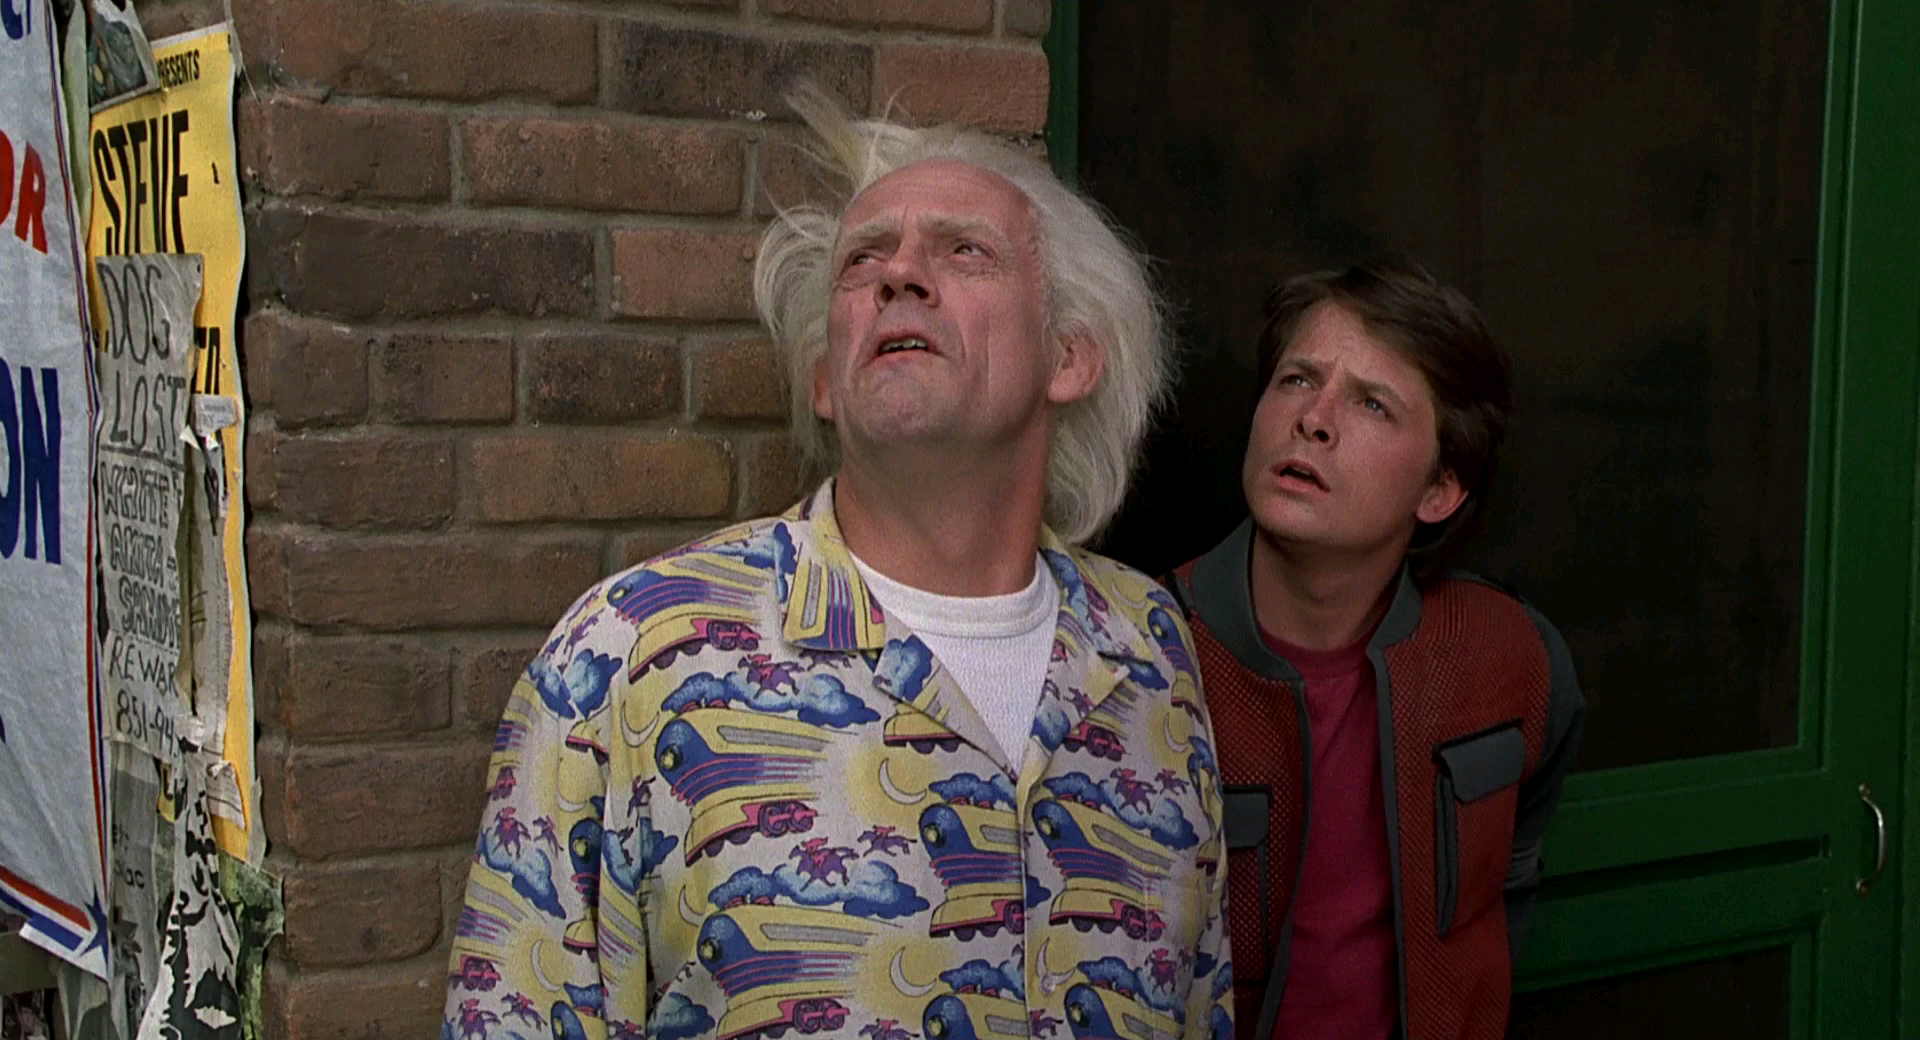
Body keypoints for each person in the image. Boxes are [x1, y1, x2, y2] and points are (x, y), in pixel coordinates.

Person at [445, 86, 1234, 1040]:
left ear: (1070, 356)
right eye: (864, 260)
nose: (900, 275)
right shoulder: (632, 656)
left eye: (964, 250)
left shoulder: (1148, 652)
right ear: (825, 379)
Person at [1165, 258, 1585, 1040]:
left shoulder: (1512, 655)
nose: (1314, 419)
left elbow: (1511, 878)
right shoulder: (1141, 654)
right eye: (1297, 379)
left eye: (1372, 403)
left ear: (1440, 490)